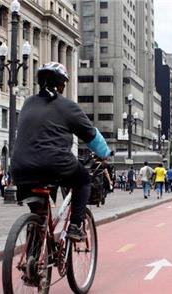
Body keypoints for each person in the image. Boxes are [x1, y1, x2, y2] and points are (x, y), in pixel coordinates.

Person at [10, 62, 111, 242]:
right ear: (61, 85)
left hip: (20, 166)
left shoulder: (28, 103)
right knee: (83, 180)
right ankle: (75, 226)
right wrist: (105, 154)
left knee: (39, 215)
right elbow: (92, 135)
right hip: (54, 163)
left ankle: (33, 260)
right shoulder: (67, 106)